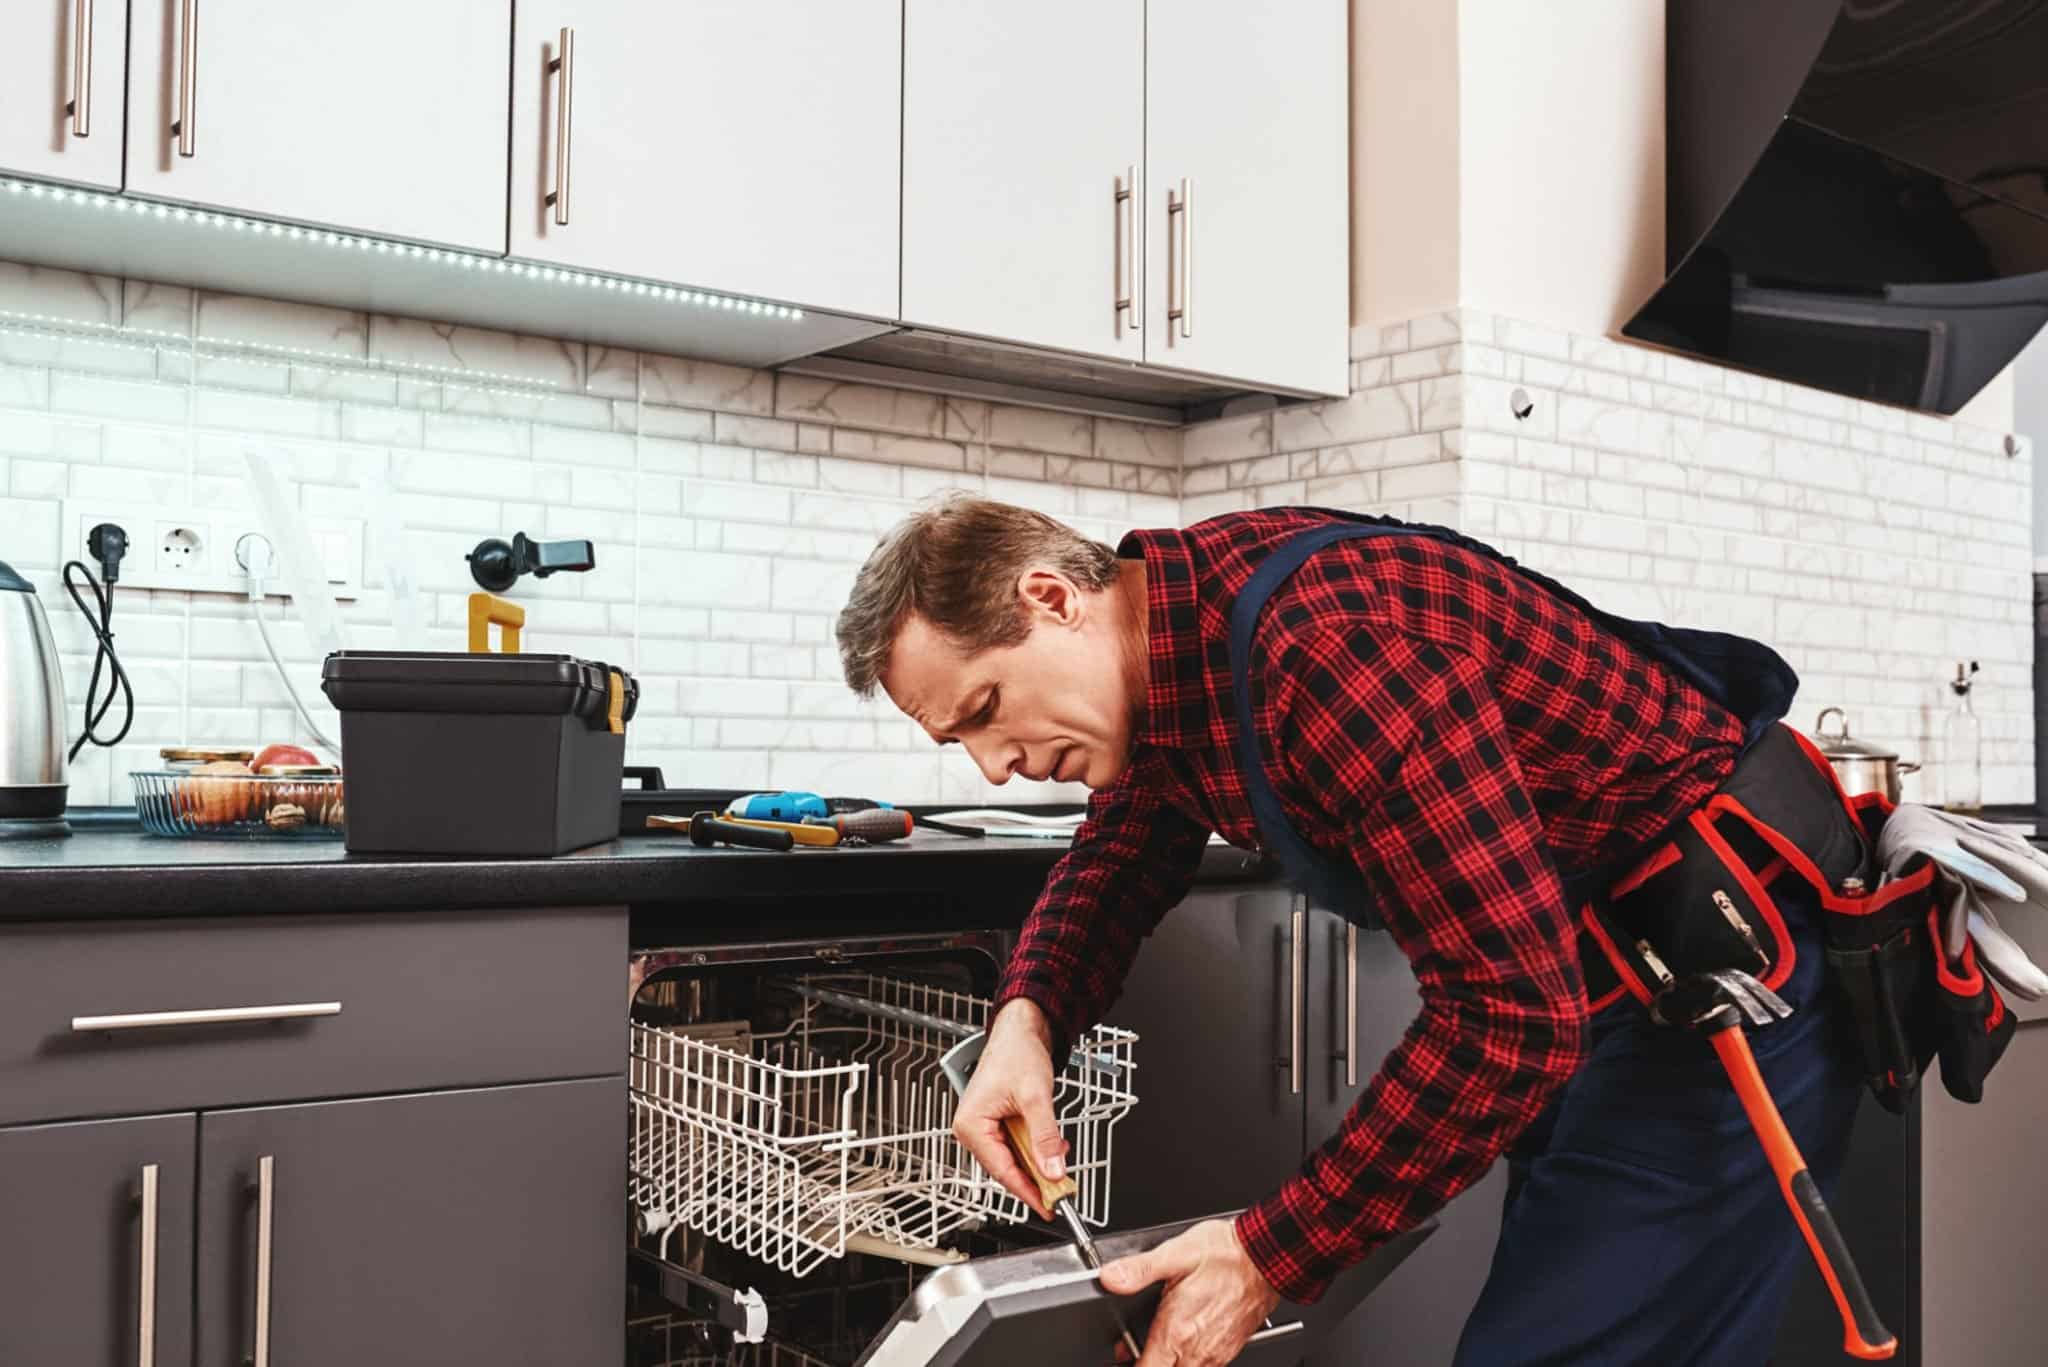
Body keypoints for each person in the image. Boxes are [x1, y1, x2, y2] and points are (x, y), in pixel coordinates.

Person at [834, 497, 1866, 1366]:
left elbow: (1510, 1018)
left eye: (982, 710)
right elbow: (1117, 855)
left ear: (1050, 599)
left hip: (1721, 986)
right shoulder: (1174, 652)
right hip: (1599, 980)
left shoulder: (1324, 656)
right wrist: (1026, 1020)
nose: (991, 768)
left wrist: (1265, 1253)